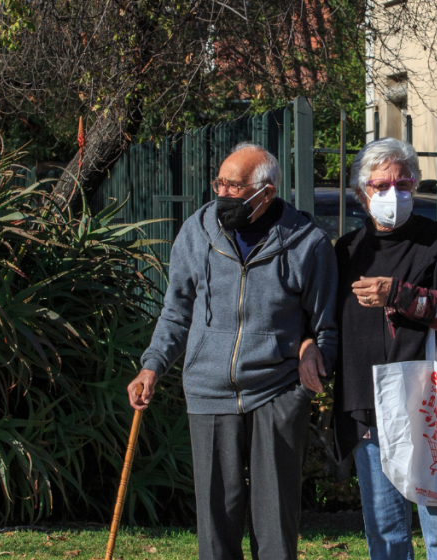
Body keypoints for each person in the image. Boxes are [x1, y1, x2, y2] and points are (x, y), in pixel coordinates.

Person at [127, 142, 338, 560]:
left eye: (235, 187)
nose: (222, 193)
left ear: (266, 193)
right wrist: (152, 366)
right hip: (208, 388)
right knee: (216, 522)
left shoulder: (308, 243)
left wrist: (314, 355)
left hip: (277, 390)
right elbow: (176, 310)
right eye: (219, 183)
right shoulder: (196, 230)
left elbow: (326, 323)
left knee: (275, 522)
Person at [333, 138, 437, 560]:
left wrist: (400, 296)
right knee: (385, 535)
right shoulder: (346, 252)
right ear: (362, 193)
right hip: (370, 411)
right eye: (381, 185)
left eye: (403, 184)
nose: (393, 194)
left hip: (432, 407)